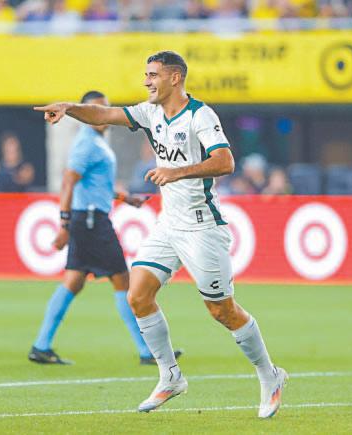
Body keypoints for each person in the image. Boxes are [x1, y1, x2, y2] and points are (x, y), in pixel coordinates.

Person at [34, 50, 286, 418]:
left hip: (203, 227)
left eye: (153, 75)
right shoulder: (149, 113)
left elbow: (225, 161)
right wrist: (69, 107)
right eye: (146, 75)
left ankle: (270, 374)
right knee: (137, 295)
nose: (146, 81)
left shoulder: (200, 115)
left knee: (221, 310)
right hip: (168, 224)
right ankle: (170, 376)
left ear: (175, 78)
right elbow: (104, 115)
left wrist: (176, 172)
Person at [29, 90, 182, 366]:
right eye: (97, 110)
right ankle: (147, 349)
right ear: (85, 113)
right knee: (123, 281)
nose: (103, 115)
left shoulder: (94, 143)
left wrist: (125, 198)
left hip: (88, 218)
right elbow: (68, 182)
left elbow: (96, 185)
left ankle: (41, 345)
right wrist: (64, 224)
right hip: (91, 222)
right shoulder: (86, 144)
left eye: (105, 109)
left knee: (73, 282)